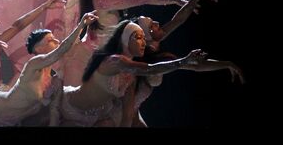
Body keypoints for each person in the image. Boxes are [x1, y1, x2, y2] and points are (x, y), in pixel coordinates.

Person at [60, 19, 207, 127]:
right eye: (138, 37)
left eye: (143, 38)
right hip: (70, 108)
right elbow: (149, 68)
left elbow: (127, 116)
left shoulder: (130, 77)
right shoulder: (115, 61)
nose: (143, 42)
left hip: (92, 118)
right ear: (125, 40)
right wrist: (183, 61)